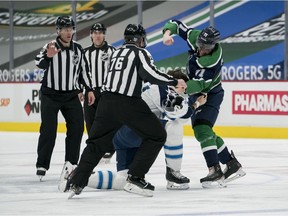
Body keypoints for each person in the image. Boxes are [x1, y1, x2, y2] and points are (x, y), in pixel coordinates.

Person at [63, 23, 187, 198]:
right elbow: (150, 74)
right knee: (157, 135)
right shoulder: (140, 52)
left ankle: (76, 182)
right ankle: (135, 177)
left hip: (106, 102)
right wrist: (174, 82)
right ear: (138, 40)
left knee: (96, 143)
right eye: (142, 39)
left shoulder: (116, 52)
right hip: (128, 102)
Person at [58, 69, 207, 192]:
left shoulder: (156, 87)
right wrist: (197, 104)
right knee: (172, 128)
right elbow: (180, 114)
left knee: (122, 181)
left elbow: (177, 113)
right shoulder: (163, 89)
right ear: (177, 84)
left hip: (125, 135)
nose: (184, 92)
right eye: (184, 88)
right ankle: (173, 174)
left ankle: (76, 175)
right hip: (131, 132)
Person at [162, 20, 246, 188]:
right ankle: (231, 164)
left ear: (213, 46)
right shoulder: (196, 38)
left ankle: (214, 170)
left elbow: (201, 85)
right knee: (202, 131)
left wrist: (181, 88)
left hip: (210, 94)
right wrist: (166, 34)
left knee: (202, 129)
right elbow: (177, 25)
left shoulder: (212, 63)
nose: (200, 51)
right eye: (200, 46)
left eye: (205, 49)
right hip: (195, 90)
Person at [34, 16, 95, 181]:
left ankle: (71, 164)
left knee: (76, 128)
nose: (69, 32)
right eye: (65, 29)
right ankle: (42, 164)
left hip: (71, 95)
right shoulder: (50, 46)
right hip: (50, 94)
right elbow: (38, 62)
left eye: (71, 29)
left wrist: (89, 89)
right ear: (58, 31)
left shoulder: (78, 49)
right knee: (49, 129)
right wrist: (48, 56)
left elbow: (84, 72)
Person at [83, 22, 116, 161]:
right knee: (90, 122)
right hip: (90, 92)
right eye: (95, 33)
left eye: (100, 32)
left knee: (107, 121)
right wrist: (80, 90)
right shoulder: (85, 53)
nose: (97, 35)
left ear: (104, 34)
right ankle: (95, 148)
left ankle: (109, 148)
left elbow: (116, 72)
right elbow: (80, 73)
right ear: (91, 34)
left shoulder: (113, 51)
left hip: (107, 93)